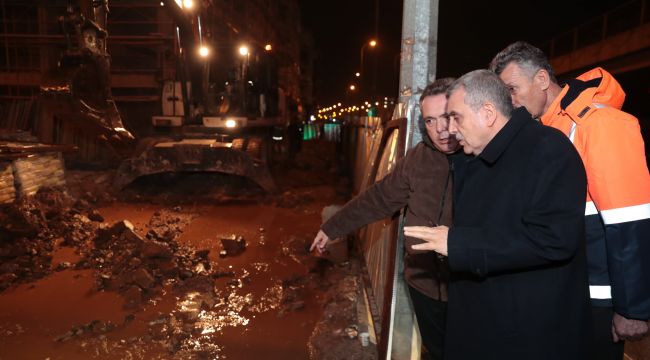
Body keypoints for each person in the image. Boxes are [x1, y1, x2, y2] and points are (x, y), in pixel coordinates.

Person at [404, 70, 591, 359]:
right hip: (479, 328)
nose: (450, 129)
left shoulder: (549, 150)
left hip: (525, 336)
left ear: (488, 113)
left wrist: (457, 245)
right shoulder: (472, 159)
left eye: (456, 117)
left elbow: (553, 239)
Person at [489, 41, 650, 359]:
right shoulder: (546, 130)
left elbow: (629, 222)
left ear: (541, 79)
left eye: (513, 88)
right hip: (565, 290)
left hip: (599, 299)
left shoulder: (600, 124)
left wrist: (633, 308)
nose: (510, 100)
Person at [310, 78, 461, 360]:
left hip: (469, 291)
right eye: (430, 120)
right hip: (423, 285)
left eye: (447, 116)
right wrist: (332, 228)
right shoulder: (418, 159)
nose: (440, 129)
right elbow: (379, 198)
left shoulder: (484, 159)